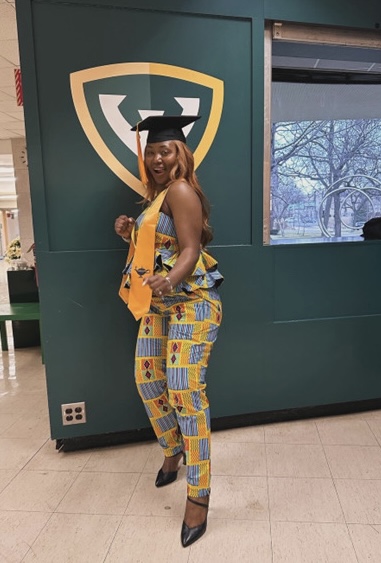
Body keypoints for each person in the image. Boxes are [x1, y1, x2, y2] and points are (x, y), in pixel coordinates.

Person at [114, 115, 223, 548]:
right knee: (147, 380)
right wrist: (129, 231)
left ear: (181, 152)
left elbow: (192, 249)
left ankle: (199, 493)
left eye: (166, 150)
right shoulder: (155, 197)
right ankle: (172, 448)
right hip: (160, 306)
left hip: (192, 302)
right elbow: (157, 246)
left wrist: (172, 278)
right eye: (152, 151)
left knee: (183, 391)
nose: (158, 158)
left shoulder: (180, 190)